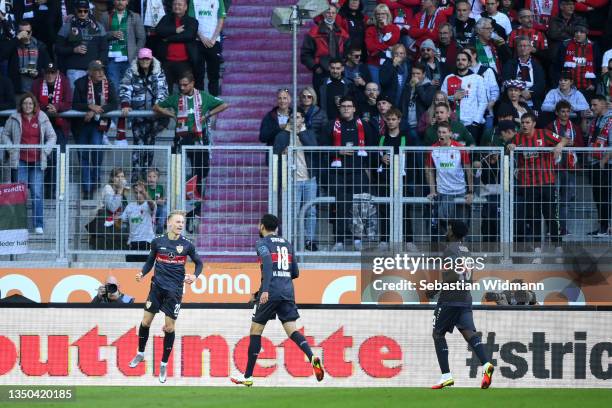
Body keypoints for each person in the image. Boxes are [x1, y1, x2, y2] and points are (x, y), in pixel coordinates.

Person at [230, 214, 324, 387]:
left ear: (262, 226)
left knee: (255, 331)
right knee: (292, 330)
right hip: (287, 292)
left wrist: (264, 291)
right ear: (277, 229)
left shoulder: (262, 244)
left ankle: (248, 376)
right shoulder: (287, 244)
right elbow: (295, 272)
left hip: (270, 292)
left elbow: (267, 265)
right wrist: (261, 290)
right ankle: (312, 357)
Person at [129, 210, 203, 383]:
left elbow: (199, 263)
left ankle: (163, 364)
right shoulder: (157, 242)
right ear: (169, 223)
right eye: (177, 222)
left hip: (174, 291)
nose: (180, 225)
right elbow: (150, 262)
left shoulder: (187, 245)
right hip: (156, 289)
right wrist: (142, 273)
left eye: (182, 223)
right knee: (145, 321)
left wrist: (195, 276)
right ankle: (140, 353)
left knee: (169, 328)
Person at [153, 71, 228, 227]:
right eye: (180, 85)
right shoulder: (176, 98)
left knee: (201, 174)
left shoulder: (204, 96)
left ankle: (194, 211)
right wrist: (171, 114)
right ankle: (182, 213)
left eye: (185, 85)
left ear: (193, 83)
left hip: (199, 142)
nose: (182, 87)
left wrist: (207, 115)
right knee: (183, 176)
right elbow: (157, 107)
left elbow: (224, 104)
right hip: (181, 142)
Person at [427, 219, 495, 389]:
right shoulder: (467, 252)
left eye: (449, 228)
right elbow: (467, 278)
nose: (447, 230)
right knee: (468, 332)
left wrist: (434, 289)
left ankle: (446, 375)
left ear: (453, 231)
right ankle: (486, 364)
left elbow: (451, 277)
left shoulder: (449, 250)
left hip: (450, 299)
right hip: (465, 297)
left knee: (438, 334)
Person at [507, 112, 567, 261]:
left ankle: (558, 248)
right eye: (522, 123)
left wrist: (559, 145)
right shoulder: (517, 137)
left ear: (534, 123)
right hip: (528, 184)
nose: (524, 125)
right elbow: (508, 150)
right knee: (532, 217)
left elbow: (565, 139)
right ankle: (537, 251)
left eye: (527, 122)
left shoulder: (544, 134)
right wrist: (510, 146)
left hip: (547, 182)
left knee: (551, 216)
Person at [1, 92, 56, 234]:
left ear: (34, 105)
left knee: (37, 193)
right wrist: (11, 148)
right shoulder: (14, 118)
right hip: (20, 160)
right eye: (25, 103)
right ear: (21, 105)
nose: (28, 106)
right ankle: (20, 224)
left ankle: (38, 224)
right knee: (21, 193)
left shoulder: (42, 117)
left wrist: (46, 150)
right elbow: (5, 135)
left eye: (30, 103)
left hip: (37, 161)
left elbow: (52, 136)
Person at [325, 96, 375, 251]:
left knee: (359, 207)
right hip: (338, 173)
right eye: (343, 106)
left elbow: (372, 147)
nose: (346, 108)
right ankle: (339, 240)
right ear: (339, 108)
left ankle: (357, 239)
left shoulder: (364, 125)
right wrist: (337, 151)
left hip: (358, 172)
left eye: (349, 106)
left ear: (354, 108)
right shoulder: (331, 125)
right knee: (339, 207)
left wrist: (368, 169)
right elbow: (322, 147)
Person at [120, 48, 169, 182]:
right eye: (142, 58)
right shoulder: (131, 71)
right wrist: (125, 103)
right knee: (138, 144)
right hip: (138, 114)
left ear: (151, 59)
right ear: (139, 59)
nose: (145, 61)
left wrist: (158, 105)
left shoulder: (158, 71)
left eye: (147, 58)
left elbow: (162, 90)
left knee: (149, 145)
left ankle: (147, 174)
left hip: (154, 116)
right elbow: (125, 87)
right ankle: (136, 175)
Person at [273, 109, 319, 251]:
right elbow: (275, 155)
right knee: (292, 211)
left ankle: (309, 240)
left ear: (303, 120)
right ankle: (290, 239)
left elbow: (314, 149)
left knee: (311, 211)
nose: (295, 120)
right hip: (292, 180)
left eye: (298, 117)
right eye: (292, 117)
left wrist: (300, 133)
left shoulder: (309, 133)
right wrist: (283, 153)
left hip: (309, 179)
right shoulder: (283, 135)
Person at [72, 60, 118, 200]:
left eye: (102, 70)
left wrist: (98, 110)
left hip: (98, 124)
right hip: (82, 125)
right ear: (90, 72)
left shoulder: (108, 83)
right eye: (97, 70)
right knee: (84, 155)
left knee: (97, 152)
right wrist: (90, 107)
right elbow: (75, 104)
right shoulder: (80, 83)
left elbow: (114, 103)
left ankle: (96, 179)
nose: (100, 73)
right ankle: (87, 188)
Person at [425, 122, 474, 241]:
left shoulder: (459, 148)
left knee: (462, 226)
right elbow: (429, 171)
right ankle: (447, 252)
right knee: (445, 225)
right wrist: (432, 190)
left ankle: (462, 253)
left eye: (444, 132)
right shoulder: (433, 149)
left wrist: (471, 192)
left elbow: (468, 171)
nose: (441, 134)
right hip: (444, 192)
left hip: (460, 191)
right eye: (439, 132)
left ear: (450, 134)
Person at [374, 107, 415, 249]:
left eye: (393, 119)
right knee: (385, 209)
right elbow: (374, 157)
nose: (390, 122)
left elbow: (412, 159)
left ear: (399, 120)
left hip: (402, 179)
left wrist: (410, 178)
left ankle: (408, 241)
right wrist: (381, 159)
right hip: (385, 179)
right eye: (388, 119)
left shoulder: (407, 137)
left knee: (405, 210)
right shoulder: (381, 138)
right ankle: (384, 240)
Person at [32, 62, 72, 199]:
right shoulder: (37, 84)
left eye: (53, 73)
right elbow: (31, 102)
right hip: (41, 126)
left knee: (58, 159)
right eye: (48, 73)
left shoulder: (65, 83)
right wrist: (46, 108)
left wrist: (57, 107)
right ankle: (42, 190)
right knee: (42, 158)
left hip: (59, 126)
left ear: (57, 73)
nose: (50, 75)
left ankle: (54, 191)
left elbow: (68, 103)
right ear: (44, 73)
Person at [547, 100, 584, 236]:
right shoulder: (550, 127)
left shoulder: (574, 127)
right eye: (562, 111)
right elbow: (546, 144)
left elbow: (581, 146)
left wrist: (574, 144)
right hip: (554, 168)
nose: (565, 114)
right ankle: (552, 228)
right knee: (554, 200)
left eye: (568, 111)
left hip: (570, 167)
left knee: (566, 201)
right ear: (557, 112)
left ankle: (562, 228)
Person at [55, 0, 108, 88]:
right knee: (75, 99)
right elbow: (57, 48)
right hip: (74, 70)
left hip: (93, 70)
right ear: (76, 10)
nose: (82, 13)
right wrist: (73, 50)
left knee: (92, 98)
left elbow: (104, 48)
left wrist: (100, 61)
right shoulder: (67, 26)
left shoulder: (98, 27)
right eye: (80, 11)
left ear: (89, 10)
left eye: (85, 11)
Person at [300, 4, 349, 96]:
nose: (330, 15)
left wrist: (343, 64)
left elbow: (348, 51)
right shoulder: (313, 32)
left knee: (340, 99)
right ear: (323, 14)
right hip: (321, 72)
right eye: (328, 12)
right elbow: (305, 54)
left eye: (333, 13)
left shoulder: (343, 33)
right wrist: (315, 67)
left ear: (336, 14)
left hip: (339, 73)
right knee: (321, 99)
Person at [441, 51, 488, 144]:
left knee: (470, 153)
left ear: (469, 63)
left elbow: (483, 102)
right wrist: (452, 98)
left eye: (463, 60)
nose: (460, 62)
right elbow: (441, 99)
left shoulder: (477, 78)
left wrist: (476, 122)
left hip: (471, 123)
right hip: (453, 123)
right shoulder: (448, 78)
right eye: (458, 60)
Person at [100, 0, 146, 94]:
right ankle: (115, 106)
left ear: (127, 2)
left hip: (129, 58)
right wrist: (111, 34)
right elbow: (100, 36)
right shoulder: (105, 16)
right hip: (112, 58)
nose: (120, 2)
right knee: (114, 86)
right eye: (118, 0)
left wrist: (136, 55)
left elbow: (141, 38)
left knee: (130, 86)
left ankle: (128, 107)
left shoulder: (134, 16)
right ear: (113, 2)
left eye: (123, 0)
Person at [154, 0, 199, 92]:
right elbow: (159, 30)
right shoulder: (166, 18)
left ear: (185, 7)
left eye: (180, 4)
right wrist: (175, 30)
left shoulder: (192, 21)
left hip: (184, 62)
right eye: (175, 4)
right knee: (165, 90)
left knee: (185, 90)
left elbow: (188, 36)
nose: (177, 6)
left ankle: (184, 106)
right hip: (166, 62)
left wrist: (168, 38)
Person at [583, 95, 612, 236]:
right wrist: (584, 118)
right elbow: (585, 133)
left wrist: (603, 162)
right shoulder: (595, 120)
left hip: (605, 165)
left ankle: (606, 227)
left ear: (603, 104)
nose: (592, 108)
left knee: (605, 196)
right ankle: (602, 226)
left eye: (594, 105)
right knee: (598, 196)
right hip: (593, 162)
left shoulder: (611, 120)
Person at [1, 19, 50, 94]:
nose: (25, 34)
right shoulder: (13, 46)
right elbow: (2, 55)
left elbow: (48, 66)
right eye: (21, 32)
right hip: (17, 89)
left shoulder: (40, 46)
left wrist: (39, 73)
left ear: (31, 32)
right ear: (18, 32)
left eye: (27, 32)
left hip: (35, 90)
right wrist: (17, 38)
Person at [188, 0, 225, 96]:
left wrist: (213, 38)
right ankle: (199, 100)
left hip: (214, 42)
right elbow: (191, 21)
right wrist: (202, 37)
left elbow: (221, 18)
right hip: (197, 42)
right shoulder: (193, 1)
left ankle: (214, 99)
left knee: (214, 74)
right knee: (198, 73)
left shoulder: (218, 1)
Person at [501, 36, 546, 113]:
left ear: (530, 48)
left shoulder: (537, 65)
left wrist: (530, 93)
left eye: (525, 46)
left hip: (533, 101)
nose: (523, 48)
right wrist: (520, 94)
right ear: (517, 48)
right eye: (520, 46)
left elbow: (541, 84)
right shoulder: (510, 64)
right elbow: (507, 81)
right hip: (514, 101)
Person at [557, 23, 598, 100]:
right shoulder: (565, 44)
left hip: (587, 88)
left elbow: (597, 67)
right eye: (576, 32)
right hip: (567, 88)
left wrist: (594, 84)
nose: (578, 34)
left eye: (581, 32)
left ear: (586, 33)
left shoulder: (593, 46)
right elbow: (557, 66)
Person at [399, 62, 435, 142]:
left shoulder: (430, 87)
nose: (415, 76)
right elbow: (402, 106)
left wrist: (418, 86)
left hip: (421, 126)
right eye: (413, 73)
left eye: (418, 73)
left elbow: (427, 102)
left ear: (424, 74)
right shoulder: (407, 88)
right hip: (406, 125)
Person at [364, 3, 400, 84]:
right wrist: (386, 46)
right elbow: (370, 47)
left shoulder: (395, 28)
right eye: (378, 14)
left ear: (387, 14)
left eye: (383, 13)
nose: (380, 16)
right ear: (375, 16)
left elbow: (392, 42)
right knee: (377, 88)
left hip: (390, 63)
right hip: (374, 63)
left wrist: (386, 26)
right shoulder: (370, 30)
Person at [122, 181, 156, 262]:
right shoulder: (130, 206)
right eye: (136, 193)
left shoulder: (148, 204)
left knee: (146, 269)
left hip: (147, 241)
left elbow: (152, 205)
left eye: (140, 192)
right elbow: (122, 220)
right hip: (133, 242)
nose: (138, 195)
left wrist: (144, 192)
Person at [379, 43, 411, 108]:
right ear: (392, 55)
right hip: (390, 101)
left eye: (401, 53)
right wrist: (393, 66)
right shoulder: (387, 64)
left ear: (405, 54)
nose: (399, 55)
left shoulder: (408, 66)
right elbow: (383, 82)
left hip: (403, 101)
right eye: (396, 53)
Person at [146, 168, 167, 235]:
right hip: (149, 209)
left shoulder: (160, 187)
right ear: (146, 178)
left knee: (165, 208)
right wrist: (155, 201)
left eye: (154, 177)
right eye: (149, 176)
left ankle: (160, 226)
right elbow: (146, 201)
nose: (151, 179)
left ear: (157, 178)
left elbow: (162, 199)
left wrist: (162, 200)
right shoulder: (145, 188)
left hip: (158, 209)